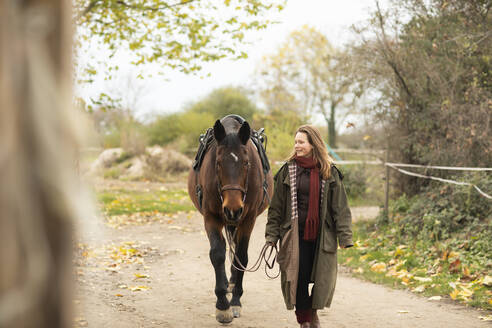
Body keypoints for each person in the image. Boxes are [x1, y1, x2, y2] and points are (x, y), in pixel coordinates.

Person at [265, 125, 353, 328]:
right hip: (294, 235)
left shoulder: (329, 171)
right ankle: (304, 320)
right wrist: (271, 236)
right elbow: (276, 208)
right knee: (299, 277)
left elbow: (341, 207)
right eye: (296, 142)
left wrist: (345, 237)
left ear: (313, 144)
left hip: (323, 235)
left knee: (321, 279)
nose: (297, 146)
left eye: (301, 142)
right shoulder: (287, 170)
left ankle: (313, 312)